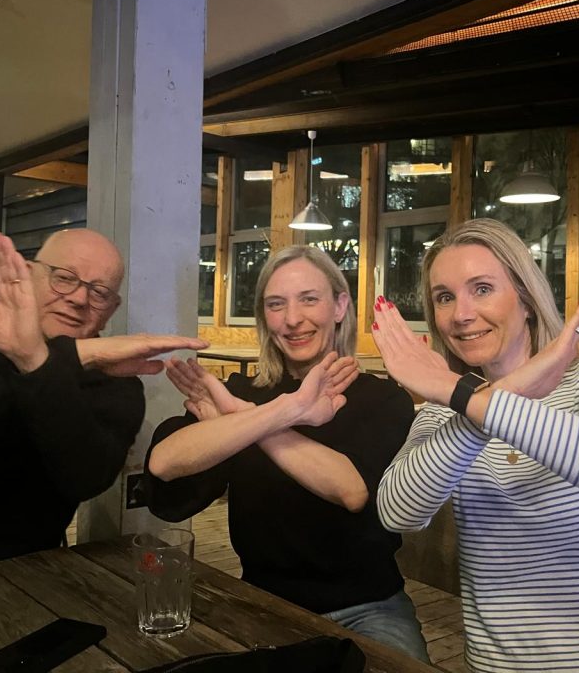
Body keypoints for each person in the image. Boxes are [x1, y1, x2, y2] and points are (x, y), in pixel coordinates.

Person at [371, 219, 579, 673]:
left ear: (526, 299)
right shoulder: (444, 413)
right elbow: (398, 512)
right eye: (444, 297)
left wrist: (468, 396)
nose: (461, 314)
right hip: (505, 665)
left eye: (482, 289)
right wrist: (481, 403)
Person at [142, 245, 428, 661]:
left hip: (369, 606)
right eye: (276, 304)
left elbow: (351, 490)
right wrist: (283, 411)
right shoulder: (242, 391)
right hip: (261, 599)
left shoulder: (382, 399)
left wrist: (245, 420)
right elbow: (164, 465)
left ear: (339, 306)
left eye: (309, 299)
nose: (293, 319)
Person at [0, 229, 207, 565]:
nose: (79, 298)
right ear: (29, 275)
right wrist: (72, 355)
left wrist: (39, 361)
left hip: (25, 572)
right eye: (64, 278)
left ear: (112, 308)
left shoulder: (115, 383)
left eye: (99, 292)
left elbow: (86, 478)